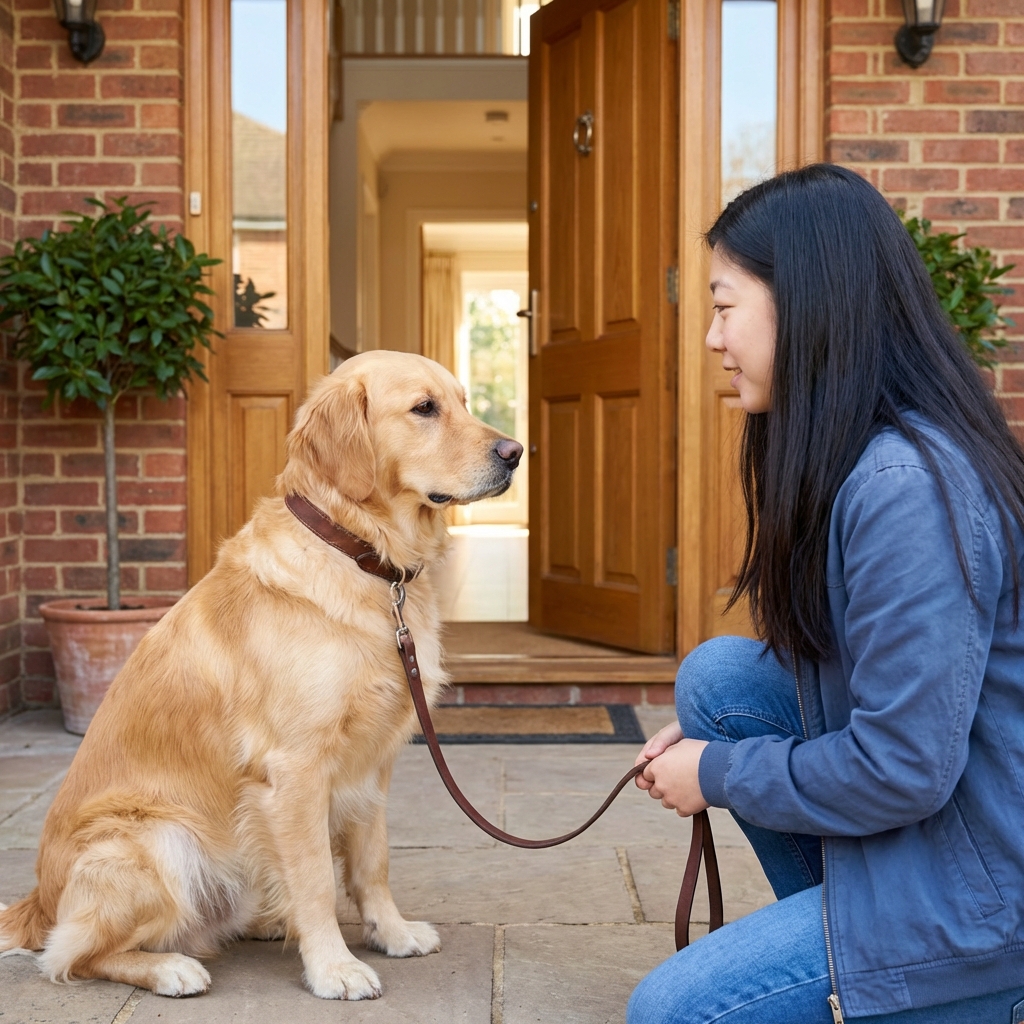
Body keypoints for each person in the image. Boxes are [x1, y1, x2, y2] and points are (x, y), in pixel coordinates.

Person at [628, 164, 1024, 1024]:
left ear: (807, 305)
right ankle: (855, 951)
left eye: (726, 304)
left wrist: (721, 772)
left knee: (673, 1013)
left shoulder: (905, 487)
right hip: (932, 840)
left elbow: (903, 767)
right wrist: (712, 749)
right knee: (720, 683)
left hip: (982, 899)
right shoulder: (868, 460)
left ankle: (932, 988)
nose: (710, 336)